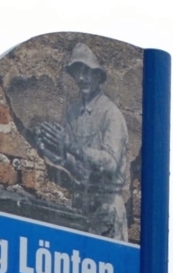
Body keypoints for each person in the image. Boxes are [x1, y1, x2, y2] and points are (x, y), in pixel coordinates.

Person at [24, 42, 130, 241]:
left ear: (98, 76)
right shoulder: (73, 113)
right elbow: (80, 171)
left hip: (107, 208)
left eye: (88, 72)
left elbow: (110, 163)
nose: (82, 78)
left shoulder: (111, 113)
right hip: (82, 207)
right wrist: (57, 154)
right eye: (77, 73)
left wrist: (72, 146)